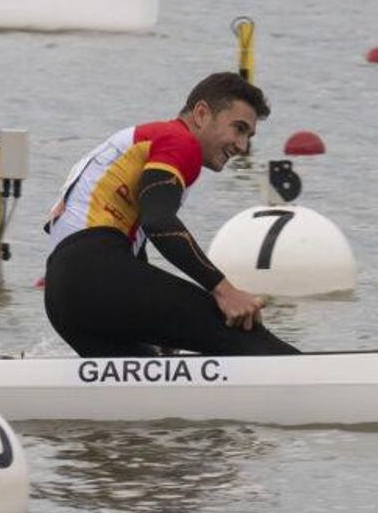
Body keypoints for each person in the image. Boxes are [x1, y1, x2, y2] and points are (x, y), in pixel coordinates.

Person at [44, 72, 300, 357]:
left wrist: (159, 326)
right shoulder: (179, 141)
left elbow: (124, 242)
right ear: (201, 114)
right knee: (243, 332)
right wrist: (224, 290)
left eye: (248, 136)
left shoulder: (139, 141)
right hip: (93, 274)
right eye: (238, 129)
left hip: (62, 298)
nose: (242, 146)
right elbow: (159, 221)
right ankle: (316, 385)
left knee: (152, 383)